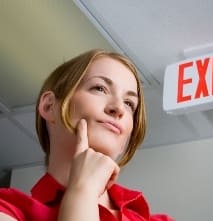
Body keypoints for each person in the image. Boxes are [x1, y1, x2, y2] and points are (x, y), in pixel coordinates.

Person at [0, 49, 173, 221]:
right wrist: (84, 190)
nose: (119, 109)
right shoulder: (7, 210)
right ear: (49, 106)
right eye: (100, 88)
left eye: (129, 103)